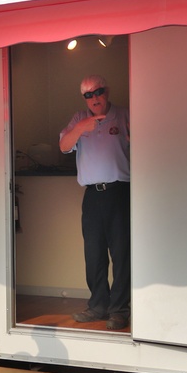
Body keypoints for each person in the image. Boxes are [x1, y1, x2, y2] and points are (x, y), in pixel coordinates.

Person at [59, 74, 131, 331]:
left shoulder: (124, 115)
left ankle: (120, 310)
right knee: (94, 254)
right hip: (92, 195)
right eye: (88, 95)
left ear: (107, 91)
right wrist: (81, 128)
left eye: (98, 92)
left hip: (120, 191)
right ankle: (98, 306)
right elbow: (64, 146)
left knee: (121, 254)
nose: (94, 98)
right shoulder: (79, 118)